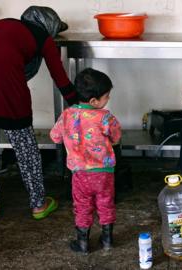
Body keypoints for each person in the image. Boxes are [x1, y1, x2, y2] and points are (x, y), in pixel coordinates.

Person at [0, 6, 78, 221]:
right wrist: (78, 105)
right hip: (6, 78)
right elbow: (59, 76)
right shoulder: (43, 38)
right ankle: (39, 204)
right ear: (49, 25)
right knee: (25, 146)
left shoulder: (6, 24)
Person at [50, 68, 122, 254]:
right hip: (104, 173)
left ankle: (82, 243)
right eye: (106, 96)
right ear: (93, 101)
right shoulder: (106, 117)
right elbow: (116, 138)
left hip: (80, 174)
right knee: (106, 203)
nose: (108, 100)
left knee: (82, 206)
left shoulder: (67, 115)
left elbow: (55, 137)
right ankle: (107, 240)